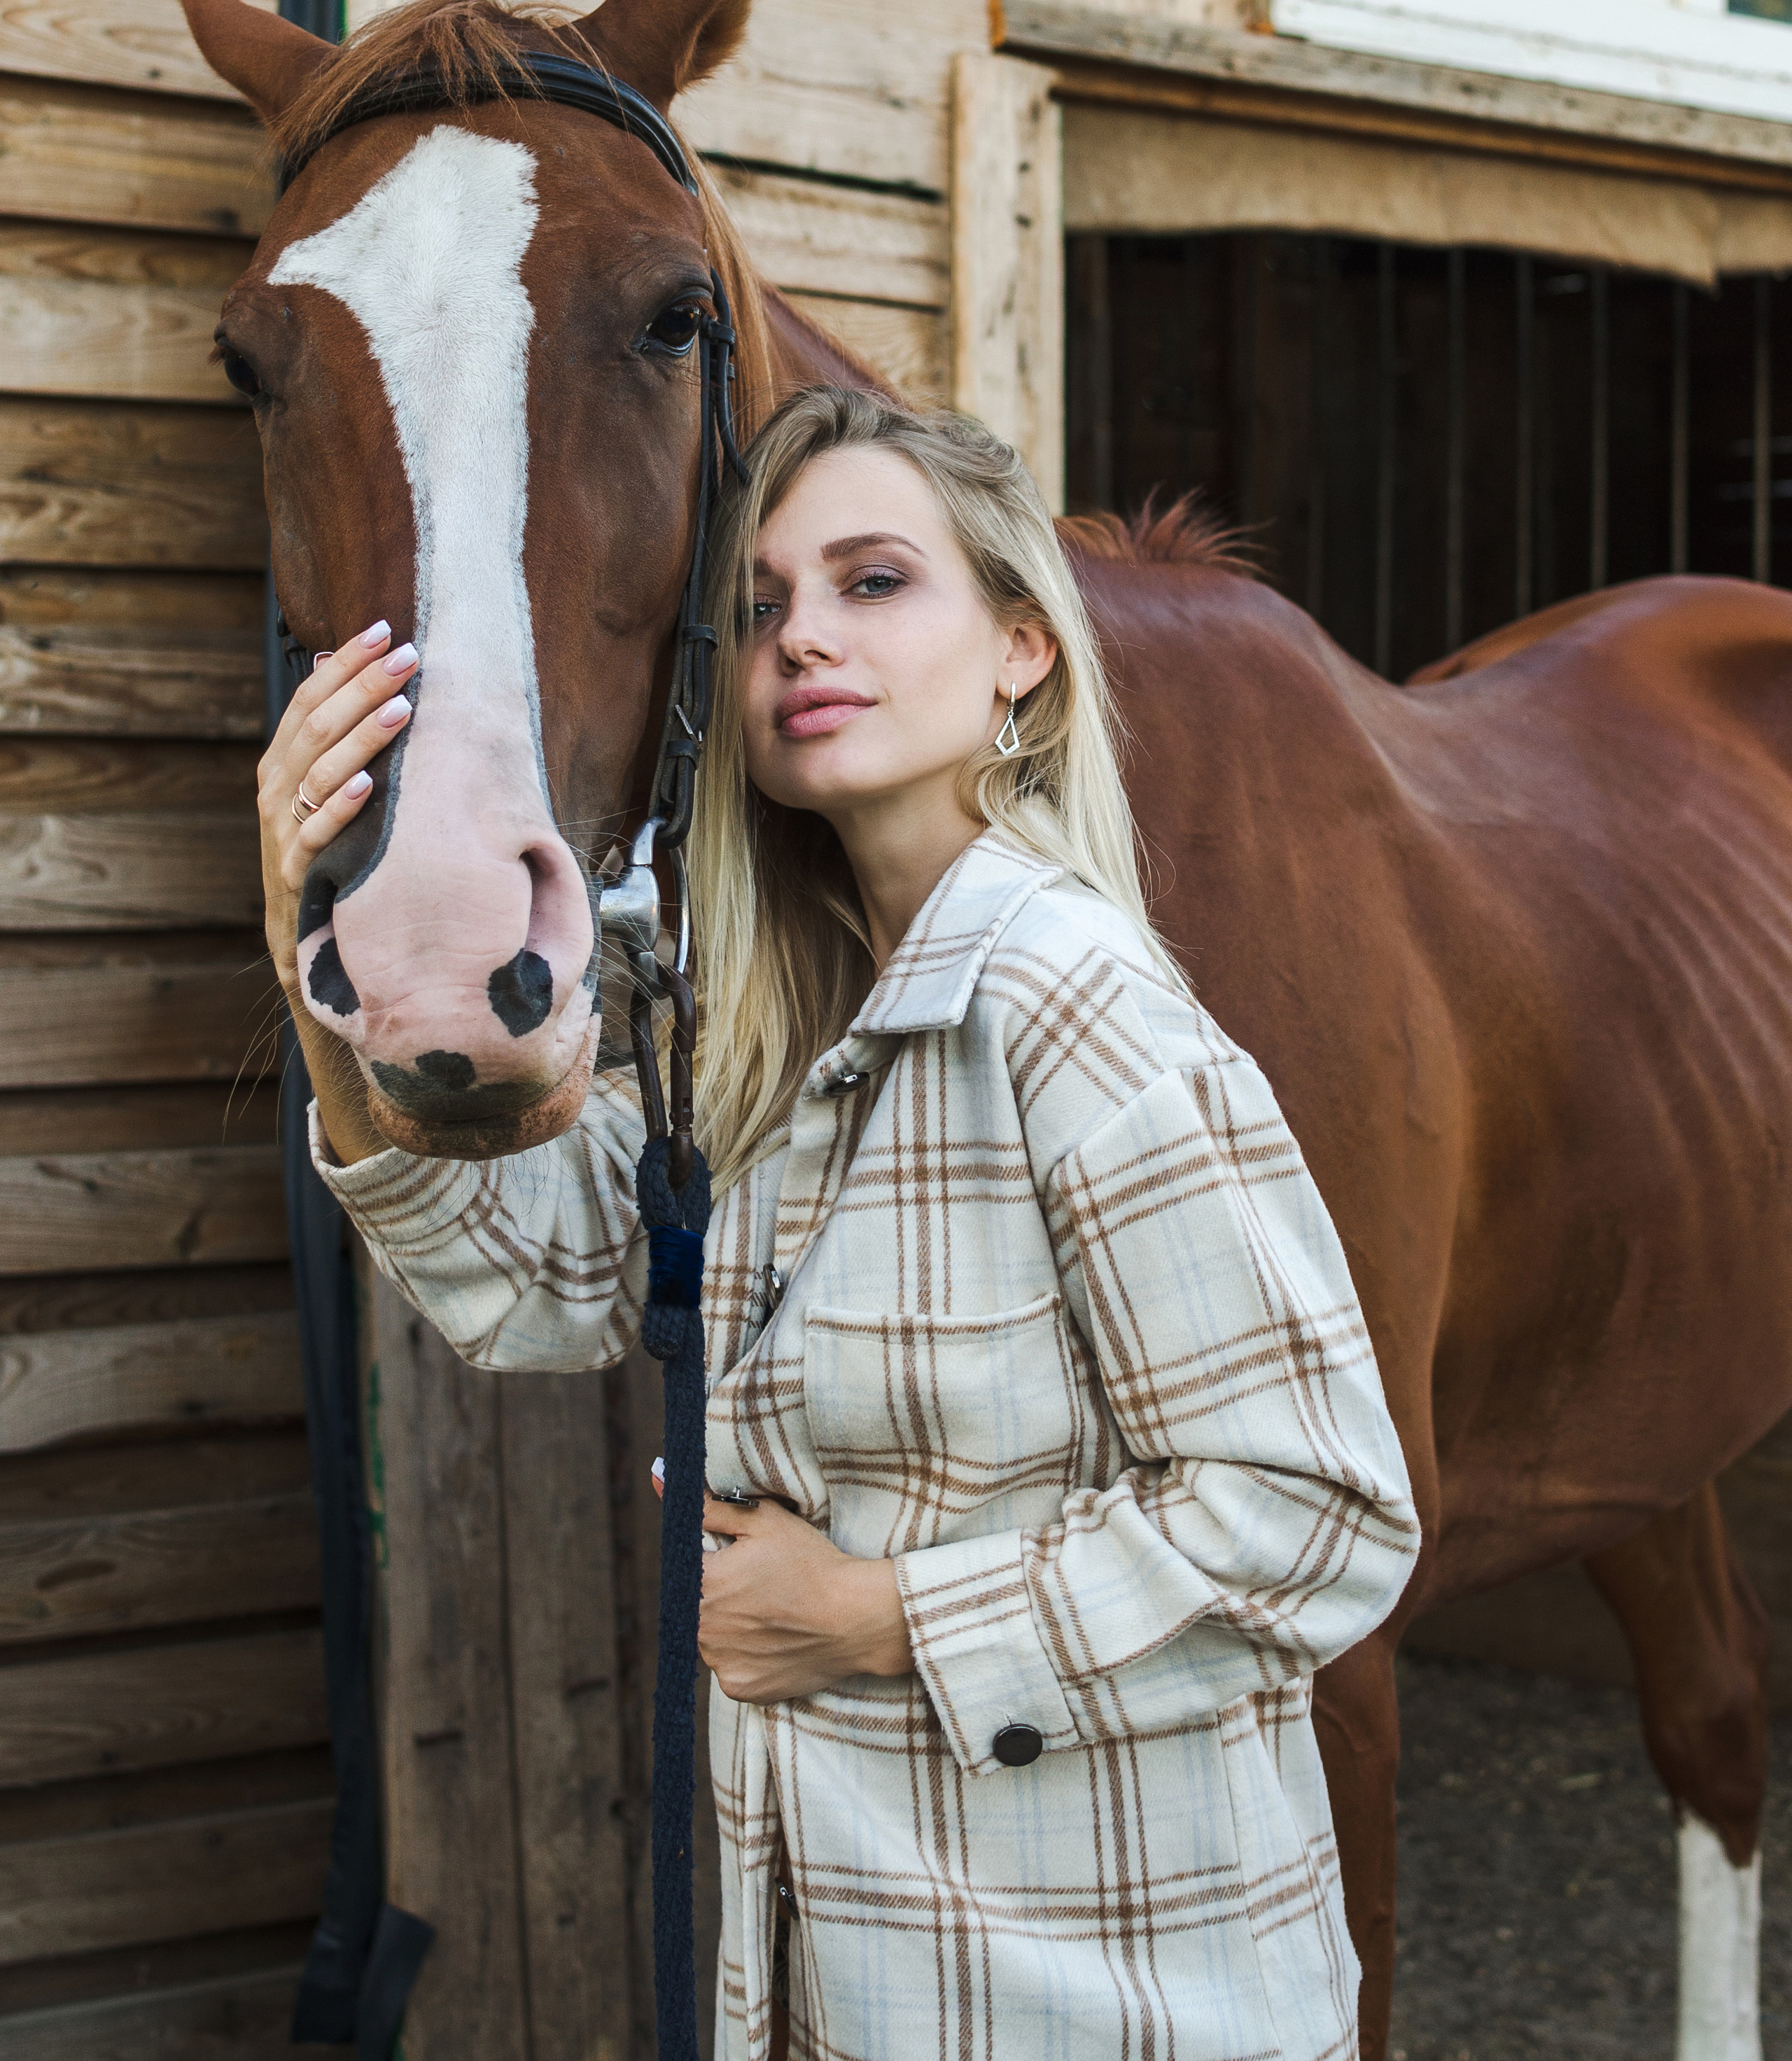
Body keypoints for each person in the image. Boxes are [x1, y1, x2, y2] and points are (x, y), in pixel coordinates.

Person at [265, 385, 1420, 2061]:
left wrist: (874, 1617)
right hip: (842, 1990)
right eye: (760, 607)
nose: (802, 637)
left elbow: (1315, 1514)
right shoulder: (777, 1030)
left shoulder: (1070, 1007)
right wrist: (319, 948)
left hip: (1110, 2007)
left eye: (874, 582)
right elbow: (529, 1286)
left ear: (1021, 645)